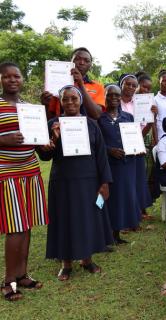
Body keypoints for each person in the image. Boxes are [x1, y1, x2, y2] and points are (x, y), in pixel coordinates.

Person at [38, 85, 113, 280]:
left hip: (89, 181)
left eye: (74, 98)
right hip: (63, 181)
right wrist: (54, 138)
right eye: (65, 99)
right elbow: (46, 156)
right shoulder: (53, 123)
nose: (70, 102)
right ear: (60, 102)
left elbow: (101, 155)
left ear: (80, 100)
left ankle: (87, 259)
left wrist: (105, 182)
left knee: (87, 219)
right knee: (65, 219)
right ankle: (66, 264)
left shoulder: (91, 124)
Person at [0, 62, 48, 301]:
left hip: (30, 170)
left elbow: (38, 140)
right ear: (1, 79)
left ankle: (21, 275)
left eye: (16, 76)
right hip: (7, 173)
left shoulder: (31, 108)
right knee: (15, 227)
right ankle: (8, 281)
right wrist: (4, 139)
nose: (12, 80)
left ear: (22, 79)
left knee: (27, 225)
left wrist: (45, 142)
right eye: (7, 76)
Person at [98, 84, 140, 244]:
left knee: (121, 198)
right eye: (110, 95)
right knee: (106, 198)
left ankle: (116, 234)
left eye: (117, 95)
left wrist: (138, 148)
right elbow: (95, 142)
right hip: (107, 164)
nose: (114, 98)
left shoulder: (128, 117)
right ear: (105, 97)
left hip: (126, 164)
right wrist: (109, 150)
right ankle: (102, 234)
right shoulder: (99, 118)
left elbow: (135, 138)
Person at [119, 74, 154, 222]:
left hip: (136, 145)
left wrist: (151, 122)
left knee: (138, 179)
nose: (131, 88)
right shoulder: (115, 100)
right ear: (121, 85)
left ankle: (138, 212)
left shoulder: (139, 104)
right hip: (119, 147)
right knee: (124, 181)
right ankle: (125, 215)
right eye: (128, 84)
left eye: (134, 85)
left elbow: (141, 130)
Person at [41, 47, 104, 120]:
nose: (81, 63)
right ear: (70, 61)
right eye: (77, 59)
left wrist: (81, 84)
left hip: (88, 129)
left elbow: (96, 115)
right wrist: (46, 105)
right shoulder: (57, 85)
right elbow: (51, 118)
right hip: (62, 128)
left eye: (86, 60)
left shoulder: (97, 86)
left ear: (90, 65)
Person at [136, 71, 159, 217]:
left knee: (148, 173)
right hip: (136, 137)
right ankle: (137, 208)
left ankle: (143, 208)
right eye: (144, 87)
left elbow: (153, 121)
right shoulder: (132, 101)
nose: (147, 90)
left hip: (148, 137)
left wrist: (155, 139)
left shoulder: (151, 101)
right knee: (140, 173)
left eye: (149, 88)